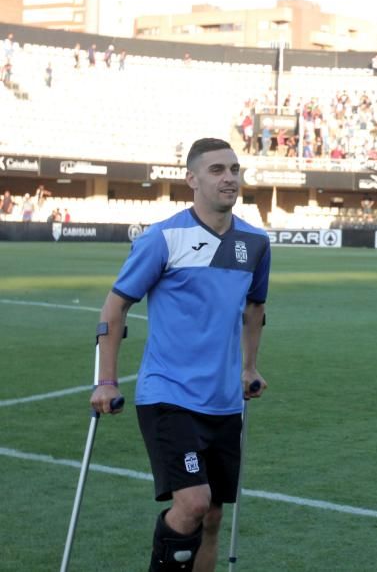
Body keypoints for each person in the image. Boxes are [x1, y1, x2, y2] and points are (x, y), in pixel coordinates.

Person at [90, 137, 271, 571]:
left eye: (234, 169)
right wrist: (106, 380)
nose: (229, 178)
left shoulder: (256, 243)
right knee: (192, 501)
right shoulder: (164, 238)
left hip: (224, 400)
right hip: (169, 395)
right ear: (191, 179)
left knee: (212, 517)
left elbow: (254, 309)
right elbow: (115, 308)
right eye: (216, 170)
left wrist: (248, 368)